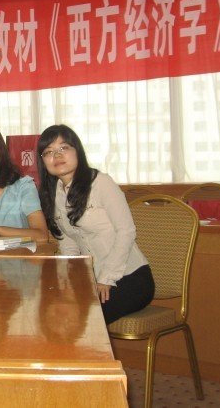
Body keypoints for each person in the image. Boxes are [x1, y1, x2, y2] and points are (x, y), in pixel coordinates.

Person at [36, 124, 154, 325]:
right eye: (49, 152)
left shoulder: (101, 182)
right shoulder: (53, 194)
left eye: (63, 148)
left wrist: (106, 278)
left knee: (83, 320)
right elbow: (68, 242)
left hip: (129, 278)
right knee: (48, 307)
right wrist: (66, 279)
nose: (57, 155)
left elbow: (126, 231)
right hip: (90, 280)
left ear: (77, 151)